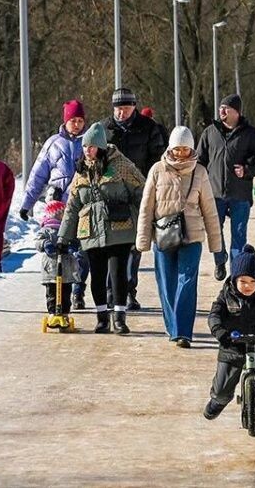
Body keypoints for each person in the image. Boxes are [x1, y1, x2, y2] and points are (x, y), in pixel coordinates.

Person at [136, 126, 224, 348]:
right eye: (177, 148)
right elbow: (146, 207)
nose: (181, 153)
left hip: (192, 237)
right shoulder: (157, 170)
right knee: (167, 283)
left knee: (187, 282)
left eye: (185, 149)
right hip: (164, 235)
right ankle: (172, 326)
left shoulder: (200, 172)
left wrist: (217, 244)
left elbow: (210, 211)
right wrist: (143, 240)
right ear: (171, 148)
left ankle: (183, 332)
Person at [57, 122, 145, 334]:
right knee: (97, 274)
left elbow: (141, 192)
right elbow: (72, 207)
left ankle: (120, 317)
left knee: (117, 273)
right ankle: (102, 317)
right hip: (91, 231)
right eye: (85, 146)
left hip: (119, 228)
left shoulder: (121, 165)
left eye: (92, 146)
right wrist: (63, 237)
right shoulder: (81, 172)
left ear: (101, 147)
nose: (88, 150)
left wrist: (141, 222)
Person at [203, 247, 255, 426]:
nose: (248, 286)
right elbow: (214, 315)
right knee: (223, 384)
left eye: (252, 281)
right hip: (232, 344)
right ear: (234, 280)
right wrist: (218, 330)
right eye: (243, 281)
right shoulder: (225, 297)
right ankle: (218, 401)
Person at [100, 88, 166, 311]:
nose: (121, 113)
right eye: (117, 109)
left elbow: (158, 159)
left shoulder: (148, 128)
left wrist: (151, 184)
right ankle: (111, 293)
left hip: (139, 193)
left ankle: (129, 292)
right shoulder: (104, 129)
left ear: (134, 107)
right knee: (112, 246)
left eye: (125, 109)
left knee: (134, 246)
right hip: (110, 194)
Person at [19, 99, 89, 308]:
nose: (77, 124)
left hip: (82, 205)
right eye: (73, 120)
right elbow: (38, 175)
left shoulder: (89, 144)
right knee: (59, 250)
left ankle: (78, 289)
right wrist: (27, 204)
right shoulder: (53, 143)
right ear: (65, 121)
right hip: (57, 207)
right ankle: (58, 294)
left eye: (80, 120)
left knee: (82, 251)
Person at [196, 93, 255, 281]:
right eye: (220, 108)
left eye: (226, 108)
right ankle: (220, 261)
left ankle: (236, 270)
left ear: (236, 112)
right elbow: (200, 160)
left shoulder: (251, 134)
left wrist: (247, 170)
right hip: (215, 193)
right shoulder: (210, 133)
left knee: (238, 234)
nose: (221, 111)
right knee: (214, 231)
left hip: (240, 193)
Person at [35, 188, 79, 318]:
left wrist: (72, 245)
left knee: (66, 292)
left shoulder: (67, 230)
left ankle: (64, 312)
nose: (63, 217)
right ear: (54, 214)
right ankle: (52, 313)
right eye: (61, 214)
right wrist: (45, 244)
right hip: (51, 268)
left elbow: (75, 240)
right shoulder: (46, 230)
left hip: (66, 267)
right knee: (52, 293)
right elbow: (38, 241)